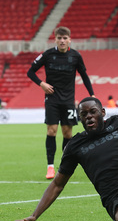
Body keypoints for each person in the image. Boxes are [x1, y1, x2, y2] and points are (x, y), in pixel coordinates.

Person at [27, 26, 95, 179]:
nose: (62, 41)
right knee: (51, 131)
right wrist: (42, 84)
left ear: (69, 39)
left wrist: (92, 94)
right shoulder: (48, 55)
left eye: (65, 38)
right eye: (59, 38)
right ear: (55, 39)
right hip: (52, 100)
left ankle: (63, 167)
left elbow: (84, 76)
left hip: (68, 101)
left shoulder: (76, 56)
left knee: (67, 133)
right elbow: (30, 71)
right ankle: (50, 167)